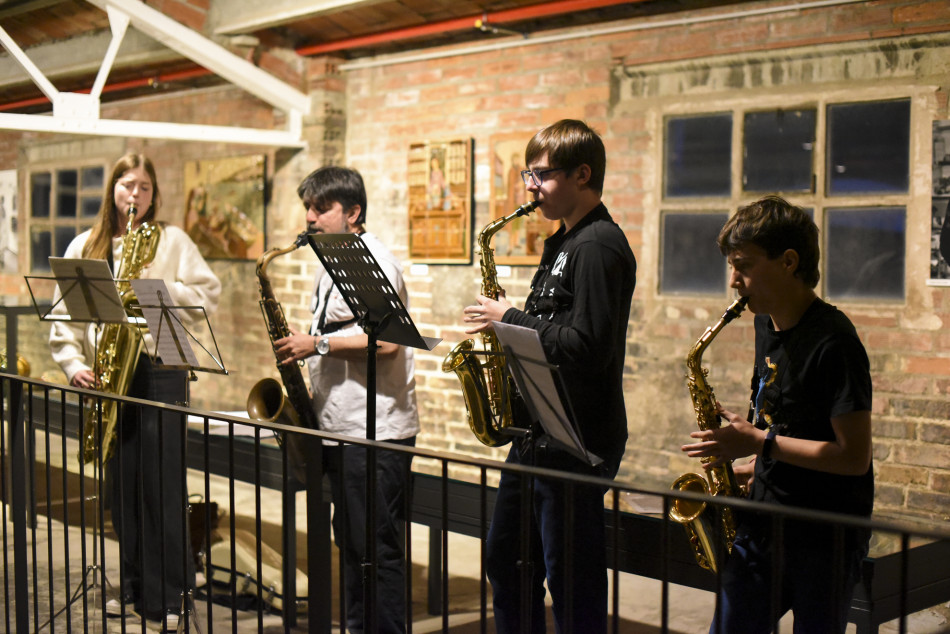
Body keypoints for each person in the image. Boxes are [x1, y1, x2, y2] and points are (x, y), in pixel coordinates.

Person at [461, 119, 637, 633]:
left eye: (542, 175)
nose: (530, 187)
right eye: (527, 175)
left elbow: (589, 347)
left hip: (577, 438)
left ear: (583, 174)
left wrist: (509, 318)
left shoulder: (598, 246)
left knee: (571, 580)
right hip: (539, 432)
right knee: (507, 561)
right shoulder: (561, 243)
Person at [681, 195, 873, 634]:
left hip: (825, 535)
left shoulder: (834, 342)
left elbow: (853, 457)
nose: (733, 280)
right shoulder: (764, 324)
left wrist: (760, 443)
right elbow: (787, 420)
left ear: (788, 261)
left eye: (743, 265)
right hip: (766, 520)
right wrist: (755, 462)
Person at [49, 153, 221, 630]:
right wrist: (74, 365)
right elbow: (66, 319)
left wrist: (158, 286)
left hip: (161, 367)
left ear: (154, 193)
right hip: (110, 375)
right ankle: (133, 586)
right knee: (122, 492)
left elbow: (209, 293)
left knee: (162, 490)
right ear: (113, 190)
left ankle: (170, 594)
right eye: (128, 185)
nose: (136, 195)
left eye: (144, 187)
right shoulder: (87, 243)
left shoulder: (173, 240)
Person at [274, 165, 418, 634]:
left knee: (378, 548)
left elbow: (388, 343)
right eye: (308, 208)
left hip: (373, 429)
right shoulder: (331, 264)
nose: (311, 218)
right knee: (353, 545)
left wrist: (313, 345)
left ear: (353, 212)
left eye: (321, 208)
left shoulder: (374, 262)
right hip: (342, 426)